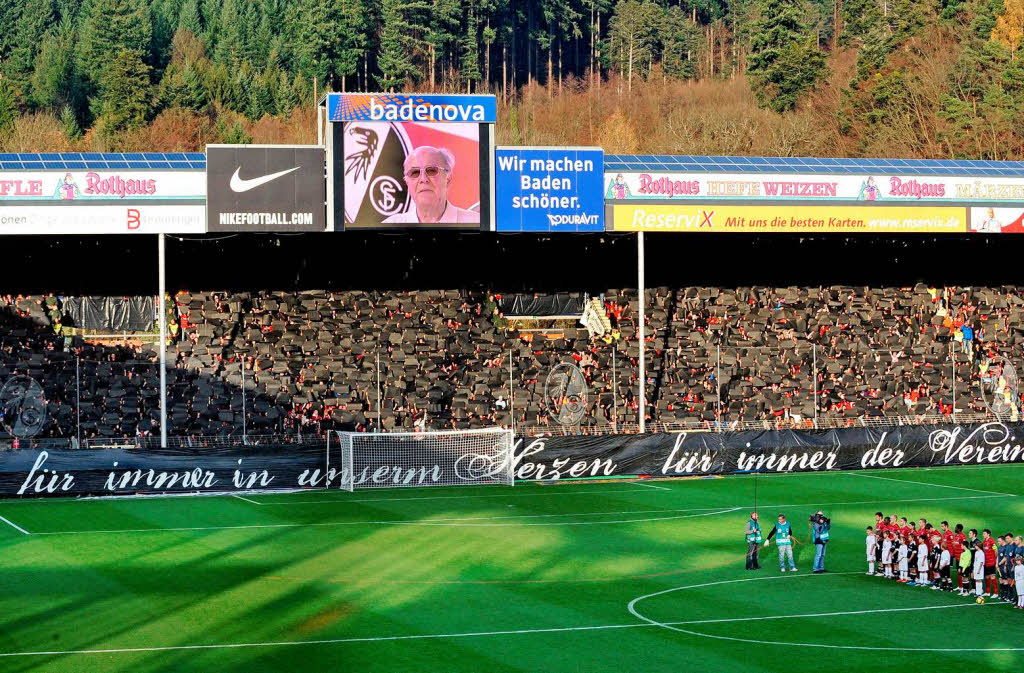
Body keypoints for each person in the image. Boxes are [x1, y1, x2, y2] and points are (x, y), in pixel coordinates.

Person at [381, 146, 480, 224]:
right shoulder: (390, 225)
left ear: (448, 178)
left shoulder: (476, 222)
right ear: (407, 182)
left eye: (432, 170)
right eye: (415, 172)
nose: (423, 179)